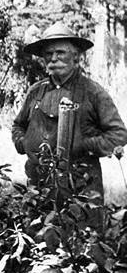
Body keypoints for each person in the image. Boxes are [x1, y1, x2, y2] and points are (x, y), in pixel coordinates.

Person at [12, 22, 127, 201]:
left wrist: (84, 145)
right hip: (39, 186)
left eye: (60, 53)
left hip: (82, 187)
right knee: (38, 228)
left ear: (76, 57)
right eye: (48, 54)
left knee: (81, 228)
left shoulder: (93, 92)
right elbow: (18, 125)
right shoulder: (36, 91)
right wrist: (23, 142)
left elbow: (118, 135)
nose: (53, 58)